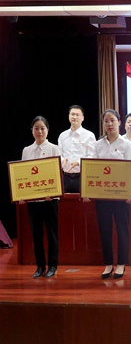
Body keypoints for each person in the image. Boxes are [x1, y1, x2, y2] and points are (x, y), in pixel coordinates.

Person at [92, 109, 131, 279]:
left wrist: (129, 193)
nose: (109, 124)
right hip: (102, 196)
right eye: (106, 121)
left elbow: (130, 169)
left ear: (119, 122)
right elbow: (92, 170)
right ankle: (108, 264)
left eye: (112, 120)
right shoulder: (97, 145)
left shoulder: (126, 145)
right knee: (105, 230)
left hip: (121, 196)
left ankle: (121, 264)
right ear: (103, 124)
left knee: (122, 230)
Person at [21, 116, 62, 278]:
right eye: (36, 128)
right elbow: (23, 174)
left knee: (52, 234)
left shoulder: (54, 149)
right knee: (36, 234)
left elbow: (57, 173)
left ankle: (52, 266)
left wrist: (52, 191)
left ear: (47, 130)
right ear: (32, 130)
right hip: (33, 201)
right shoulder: (27, 150)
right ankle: (39, 266)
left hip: (50, 200)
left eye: (42, 128)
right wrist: (22, 194)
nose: (39, 131)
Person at [57, 105, 96, 193]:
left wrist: (78, 163)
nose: (74, 117)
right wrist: (63, 161)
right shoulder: (62, 135)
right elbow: (59, 154)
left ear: (83, 118)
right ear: (69, 116)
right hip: (65, 176)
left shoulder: (89, 135)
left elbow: (92, 156)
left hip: (82, 176)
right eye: (72, 114)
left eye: (77, 115)